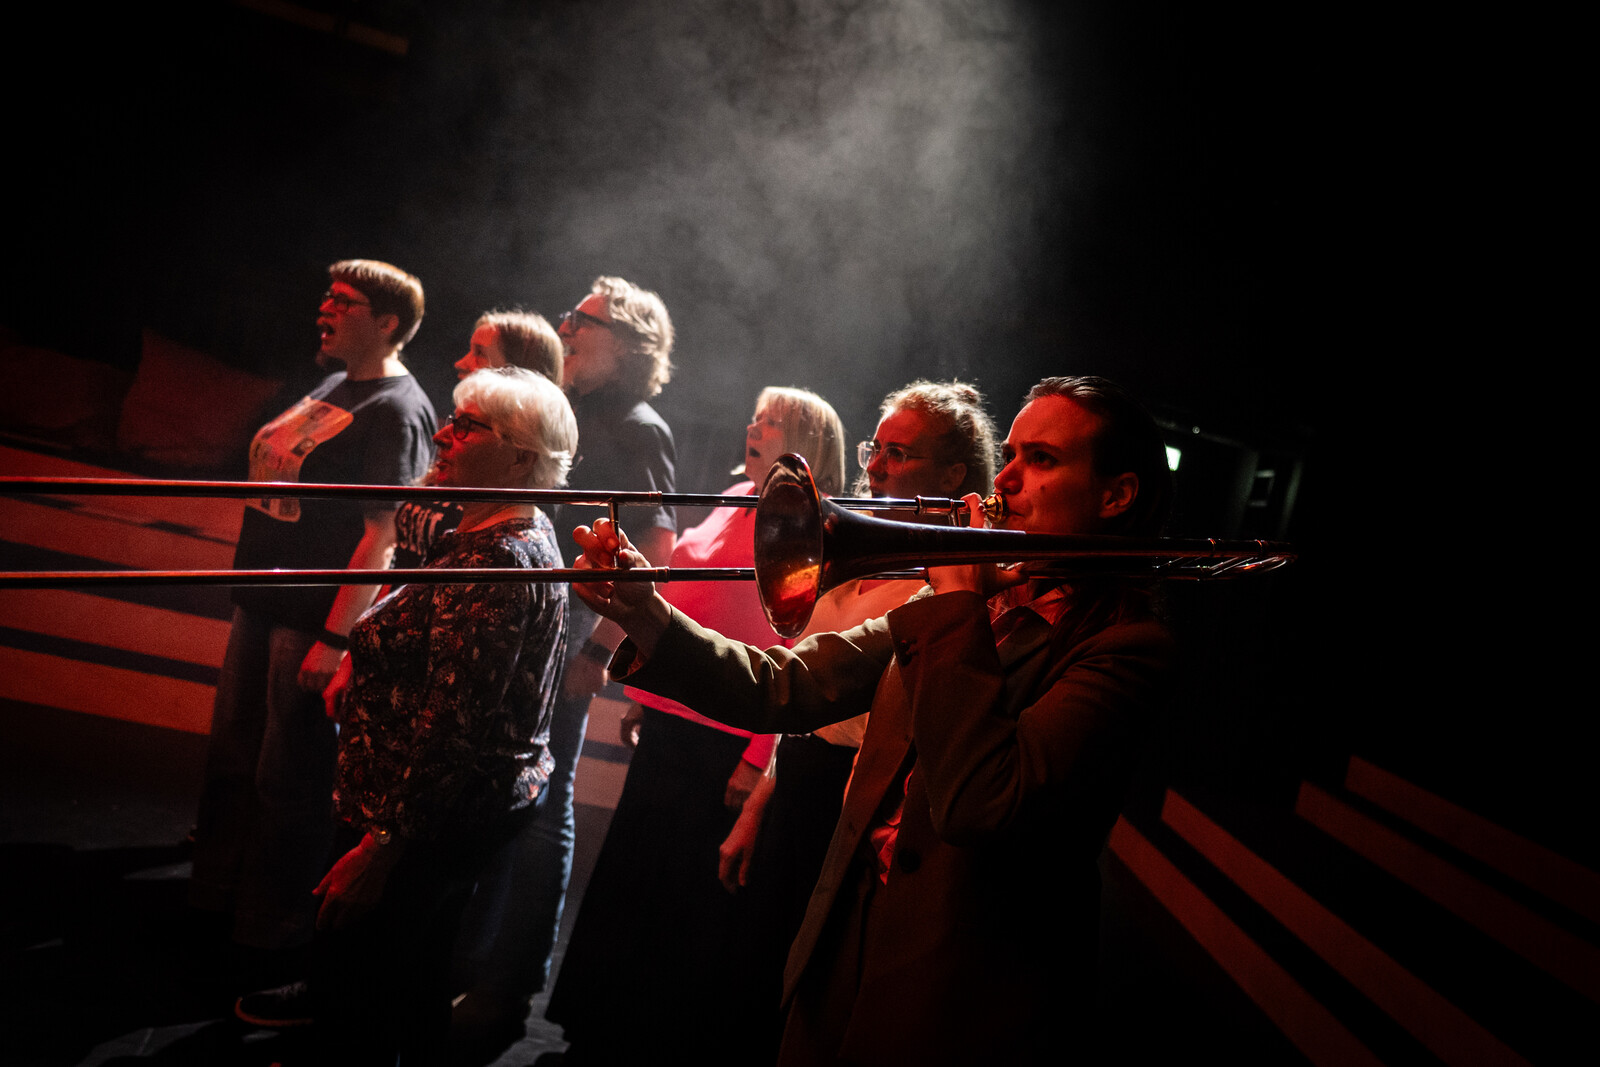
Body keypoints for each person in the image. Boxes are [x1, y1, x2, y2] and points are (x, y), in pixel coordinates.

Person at [569, 376, 1177, 1065]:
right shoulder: (971, 597)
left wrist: (958, 606)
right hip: (845, 938)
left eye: (1041, 459)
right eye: (1009, 453)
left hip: (959, 988)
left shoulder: (1123, 647)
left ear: (1116, 494)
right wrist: (647, 612)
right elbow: (783, 687)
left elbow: (982, 799)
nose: (1005, 477)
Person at [236, 366, 578, 1061]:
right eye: (451, 420)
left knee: (377, 991)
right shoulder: (479, 532)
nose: (444, 435)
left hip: (421, 822)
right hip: (419, 812)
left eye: (467, 425)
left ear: (519, 456)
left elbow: (453, 724)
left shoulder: (502, 561)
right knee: (399, 984)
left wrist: (383, 845)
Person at [545, 386, 847, 1064]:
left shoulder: (807, 521)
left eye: (772, 421)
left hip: (728, 730)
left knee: (681, 897)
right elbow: (682, 590)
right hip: (674, 715)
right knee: (632, 877)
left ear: (806, 439)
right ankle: (597, 1031)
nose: (753, 426)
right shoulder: (737, 490)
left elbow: (802, 648)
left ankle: (648, 1040)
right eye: (757, 416)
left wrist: (757, 752)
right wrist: (646, 690)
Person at [715, 380, 999, 1058]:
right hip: (806, 768)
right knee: (755, 963)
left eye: (897, 453)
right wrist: (761, 797)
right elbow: (810, 687)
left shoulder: (958, 576)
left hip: (866, 787)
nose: (873, 466)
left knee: (813, 979)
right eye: (876, 448)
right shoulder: (850, 544)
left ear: (954, 474)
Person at [189, 259, 435, 973]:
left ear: (386, 321)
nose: (325, 308)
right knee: (233, 757)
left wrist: (337, 636)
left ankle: (270, 929)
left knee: (285, 776)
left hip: (312, 612)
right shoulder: (333, 382)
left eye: (344, 300)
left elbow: (383, 532)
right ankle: (216, 898)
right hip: (265, 597)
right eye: (326, 296)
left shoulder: (398, 408)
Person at [450, 276, 678, 1029]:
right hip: (517, 631)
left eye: (584, 319)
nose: (566, 326)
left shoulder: (640, 428)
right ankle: (470, 963)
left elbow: (657, 547)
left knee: (543, 807)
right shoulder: (566, 406)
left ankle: (508, 989)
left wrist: (604, 652)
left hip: (566, 645)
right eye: (570, 316)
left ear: (630, 344)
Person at [393, 310, 564, 571]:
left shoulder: (518, 492)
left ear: (517, 373)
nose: (460, 363)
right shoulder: (460, 456)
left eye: (479, 353)